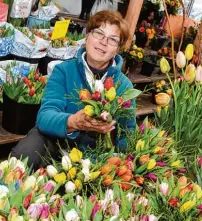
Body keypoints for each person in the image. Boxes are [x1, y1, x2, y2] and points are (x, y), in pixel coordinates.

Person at [12, 10, 136, 169]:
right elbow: (44, 117)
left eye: (112, 39)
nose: (103, 42)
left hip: (94, 153)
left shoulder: (124, 86)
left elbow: (127, 133)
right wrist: (74, 122)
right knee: (28, 150)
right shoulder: (64, 71)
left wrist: (125, 159)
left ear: (118, 49)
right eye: (98, 33)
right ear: (87, 36)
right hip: (56, 143)